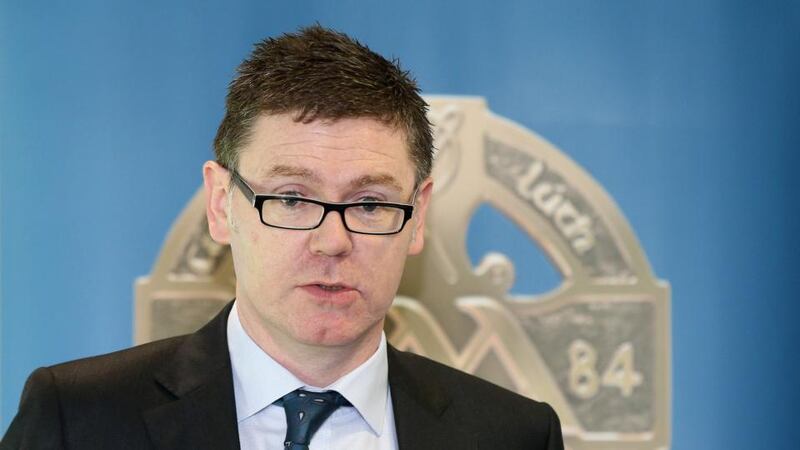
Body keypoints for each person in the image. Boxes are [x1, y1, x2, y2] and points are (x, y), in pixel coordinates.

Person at [2, 25, 564, 450]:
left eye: (369, 203)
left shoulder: (512, 435)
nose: (332, 240)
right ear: (221, 204)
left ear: (417, 216)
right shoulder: (78, 419)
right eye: (293, 198)